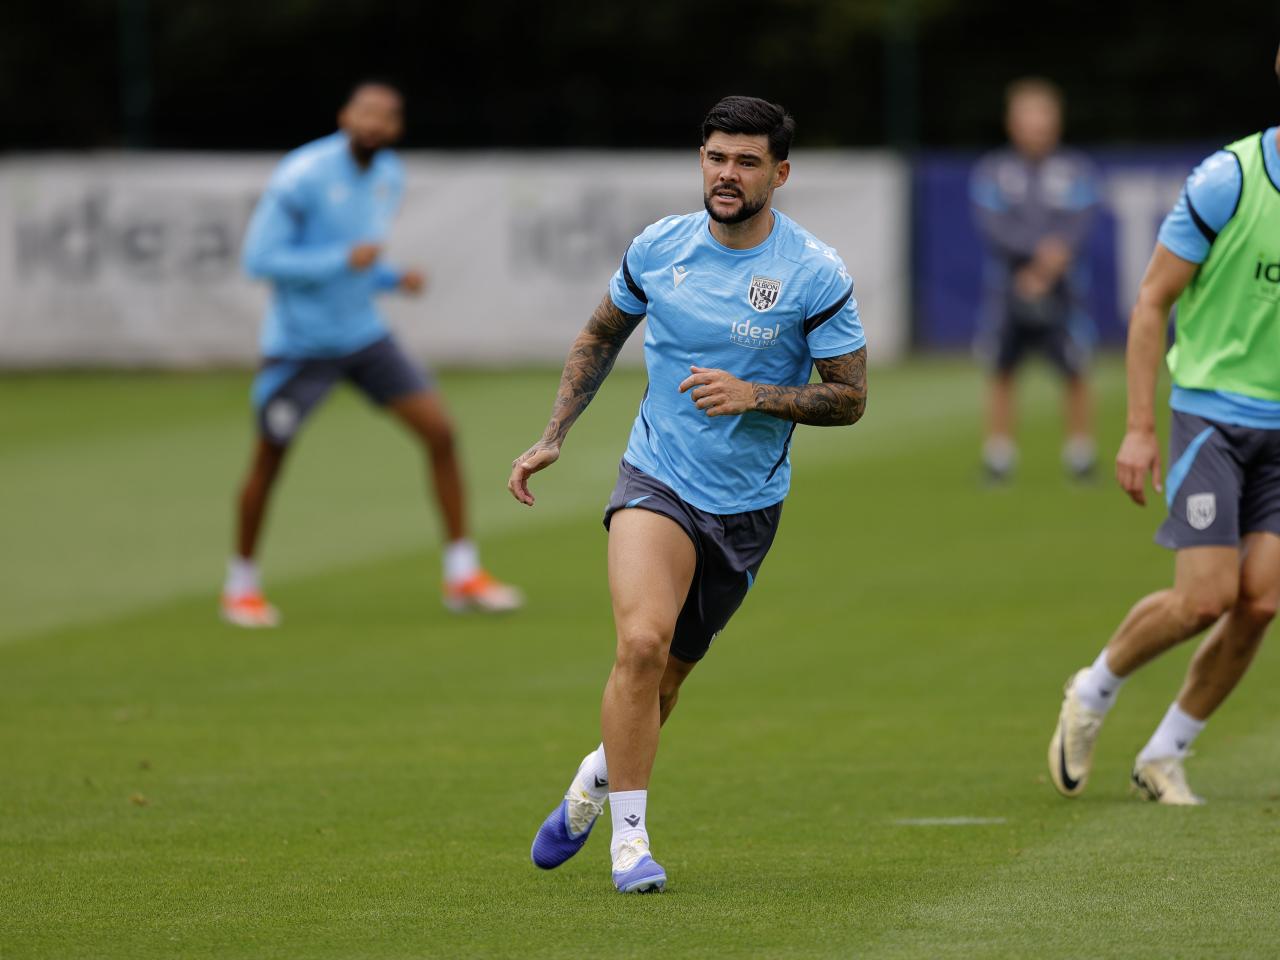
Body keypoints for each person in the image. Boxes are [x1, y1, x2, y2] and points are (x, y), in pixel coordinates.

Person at [508, 96, 867, 893]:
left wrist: (757, 394)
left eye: (745, 161)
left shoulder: (814, 272)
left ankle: (597, 777)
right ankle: (630, 845)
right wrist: (553, 434)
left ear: (779, 172)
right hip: (656, 478)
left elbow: (850, 397)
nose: (726, 174)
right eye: (715, 157)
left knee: (663, 683)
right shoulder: (659, 247)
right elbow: (601, 333)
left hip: (747, 506)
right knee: (639, 647)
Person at [1049, 46, 1280, 805]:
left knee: (1262, 601)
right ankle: (1095, 687)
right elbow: (1151, 302)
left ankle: (1164, 753)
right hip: (1212, 415)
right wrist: (1140, 428)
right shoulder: (1229, 180)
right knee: (1205, 599)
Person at [221, 80, 521, 627]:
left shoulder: (388, 174)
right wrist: (343, 260)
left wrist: (391, 277)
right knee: (270, 457)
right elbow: (260, 260)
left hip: (363, 335)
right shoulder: (301, 176)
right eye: (366, 113)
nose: (375, 124)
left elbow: (361, 258)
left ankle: (462, 574)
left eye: (386, 117)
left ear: (396, 128)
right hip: (300, 345)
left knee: (440, 433)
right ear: (344, 117)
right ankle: (240, 585)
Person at [971, 77, 1100, 482]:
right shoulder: (994, 171)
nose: (1036, 126)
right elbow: (993, 225)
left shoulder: (1075, 170)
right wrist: (1032, 259)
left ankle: (1081, 454)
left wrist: (1050, 265)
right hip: (1008, 287)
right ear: (1013, 123)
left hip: (1064, 289)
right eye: (1028, 117)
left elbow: (1081, 222)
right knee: (1001, 367)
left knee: (1075, 367)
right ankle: (999, 456)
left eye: (1043, 117)